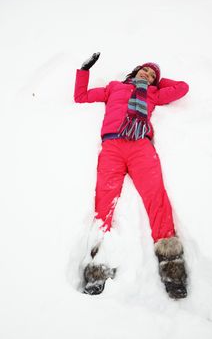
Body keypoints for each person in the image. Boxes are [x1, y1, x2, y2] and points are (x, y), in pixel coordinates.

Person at [74, 52, 189, 299]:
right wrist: (83, 71)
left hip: (141, 146)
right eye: (144, 71)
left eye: (151, 75)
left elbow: (182, 88)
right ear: (134, 71)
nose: (146, 75)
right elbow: (81, 97)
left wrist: (158, 81)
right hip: (113, 146)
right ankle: (97, 267)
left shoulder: (154, 94)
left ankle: (172, 269)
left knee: (156, 199)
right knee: (104, 203)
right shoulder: (113, 88)